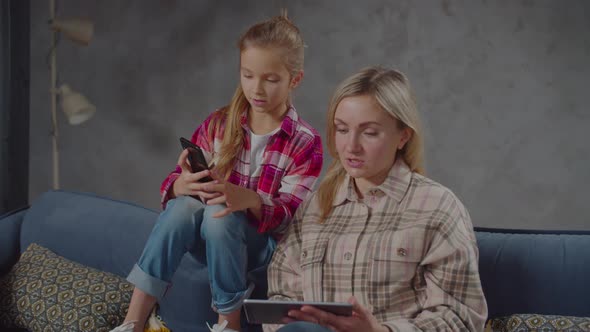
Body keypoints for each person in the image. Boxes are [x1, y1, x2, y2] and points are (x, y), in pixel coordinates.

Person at [110, 13, 323, 332]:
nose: (257, 89)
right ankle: (133, 321)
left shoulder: (305, 142)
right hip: (205, 234)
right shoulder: (220, 123)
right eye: (248, 75)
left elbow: (287, 219)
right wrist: (182, 184)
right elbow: (171, 185)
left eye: (271, 79)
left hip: (259, 247)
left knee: (219, 213)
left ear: (295, 79)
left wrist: (247, 199)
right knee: (183, 207)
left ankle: (229, 323)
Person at [264, 67, 487, 332]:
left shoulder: (438, 207)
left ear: (403, 136)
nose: (351, 146)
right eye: (342, 129)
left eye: (369, 133)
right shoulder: (315, 207)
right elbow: (280, 297)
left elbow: (461, 317)